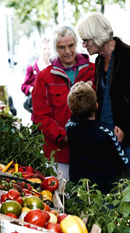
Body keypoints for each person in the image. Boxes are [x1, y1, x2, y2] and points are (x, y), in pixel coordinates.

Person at [76, 12, 130, 162]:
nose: (84, 45)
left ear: (97, 36)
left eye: (86, 41)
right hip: (109, 139)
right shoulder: (100, 60)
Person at [32, 25, 95, 180]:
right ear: (55, 48)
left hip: (90, 149)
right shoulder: (44, 77)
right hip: (59, 153)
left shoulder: (93, 71)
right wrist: (64, 136)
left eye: (71, 46)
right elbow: (41, 116)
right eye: (61, 47)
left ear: (77, 44)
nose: (67, 51)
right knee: (63, 199)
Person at [66, 81, 128, 194]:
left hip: (79, 191)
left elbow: (73, 116)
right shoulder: (106, 134)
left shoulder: (70, 129)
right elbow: (123, 162)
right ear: (96, 105)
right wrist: (119, 141)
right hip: (102, 192)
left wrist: (80, 94)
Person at [22, 37, 51, 121]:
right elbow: (24, 86)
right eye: (44, 48)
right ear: (39, 50)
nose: (47, 51)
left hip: (53, 112)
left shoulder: (55, 67)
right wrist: (30, 88)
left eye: (49, 48)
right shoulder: (32, 68)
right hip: (37, 113)